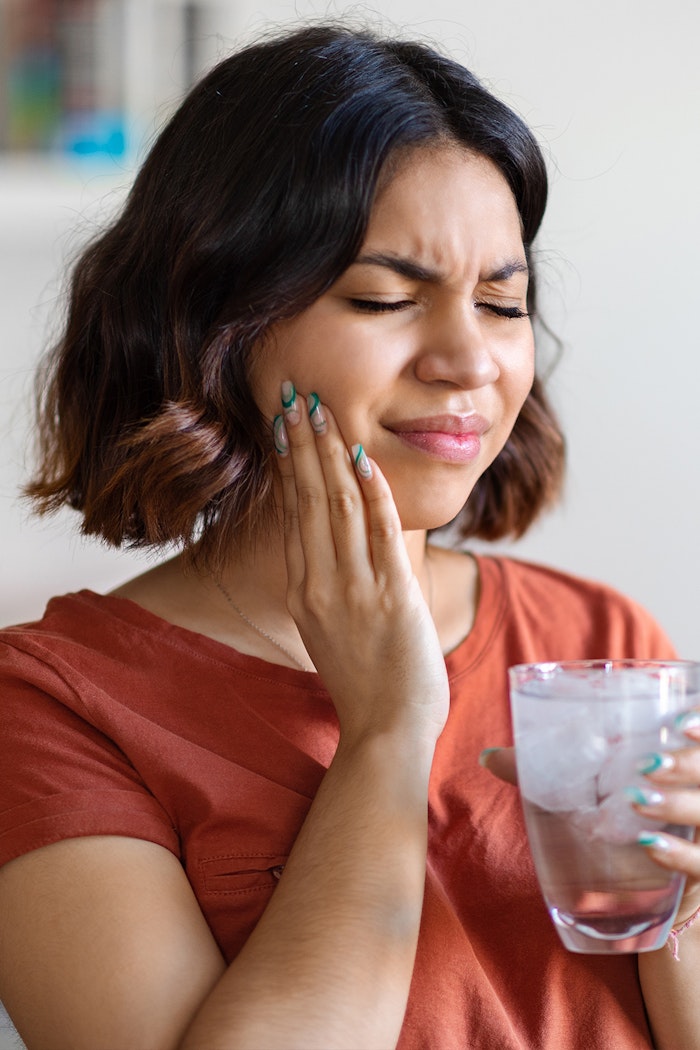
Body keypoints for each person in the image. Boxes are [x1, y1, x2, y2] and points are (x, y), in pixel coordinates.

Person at [0, 22, 698, 1050]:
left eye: (501, 303)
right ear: (215, 325)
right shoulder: (54, 703)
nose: (470, 360)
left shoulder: (599, 644)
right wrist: (387, 730)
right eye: (384, 298)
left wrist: (688, 904)